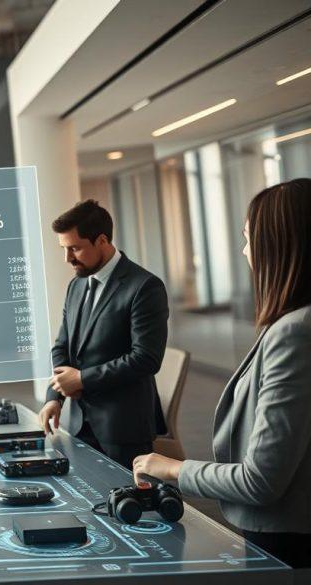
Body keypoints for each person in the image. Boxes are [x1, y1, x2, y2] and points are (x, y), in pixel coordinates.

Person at [133, 178, 311, 569]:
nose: (244, 250)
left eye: (248, 238)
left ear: (277, 246)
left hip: (290, 542)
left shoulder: (295, 332)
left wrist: (172, 469)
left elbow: (260, 481)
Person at [38, 199, 169, 469]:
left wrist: (83, 379)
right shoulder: (76, 285)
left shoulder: (145, 286)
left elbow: (146, 358)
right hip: (77, 423)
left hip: (123, 427)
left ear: (102, 240)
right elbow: (62, 346)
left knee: (128, 507)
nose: (67, 258)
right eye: (64, 249)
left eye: (74, 248)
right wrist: (55, 397)